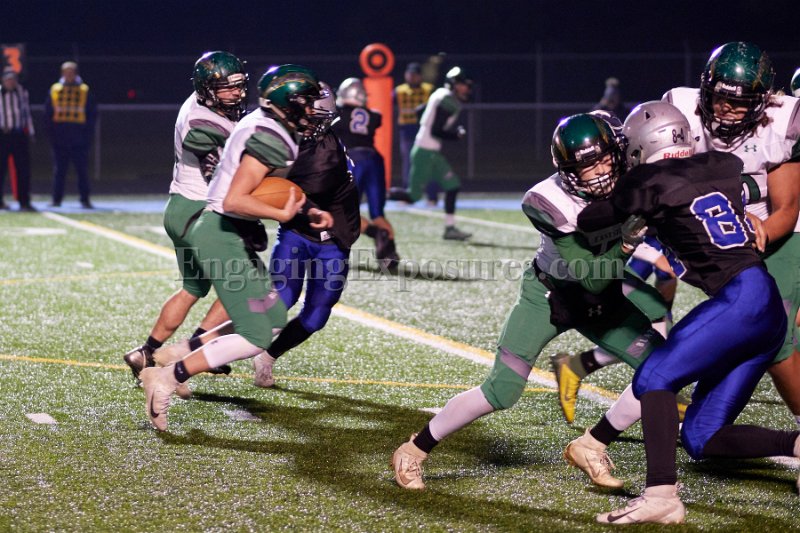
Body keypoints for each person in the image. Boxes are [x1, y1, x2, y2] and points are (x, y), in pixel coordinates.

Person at [390, 113, 669, 490]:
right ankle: (413, 450)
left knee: (662, 371)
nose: (601, 172)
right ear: (568, 171)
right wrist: (628, 243)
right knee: (501, 391)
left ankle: (592, 444)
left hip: (601, 299)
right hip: (550, 295)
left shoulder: (631, 174)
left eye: (605, 159)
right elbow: (591, 275)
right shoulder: (549, 200)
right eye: (588, 166)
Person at [571, 100, 798, 525]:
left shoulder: (647, 180)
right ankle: (797, 444)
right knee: (700, 436)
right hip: (765, 309)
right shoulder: (723, 165)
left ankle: (661, 496)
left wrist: (618, 194)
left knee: (654, 377)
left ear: (640, 146)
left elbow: (590, 221)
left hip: (741, 300)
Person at [555, 42, 800, 427]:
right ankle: (691, 424)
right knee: (709, 323)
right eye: (719, 97)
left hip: (761, 227)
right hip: (696, 224)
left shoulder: (782, 124)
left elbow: (786, 208)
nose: (725, 109)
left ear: (763, 101)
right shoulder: (681, 108)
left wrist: (760, 231)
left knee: (775, 337)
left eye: (739, 102)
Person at [139, 64, 333, 431]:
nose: (313, 110)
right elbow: (235, 200)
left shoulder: (264, 122)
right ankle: (165, 376)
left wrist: (306, 207)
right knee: (256, 335)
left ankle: (179, 354)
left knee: (274, 317)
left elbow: (263, 187)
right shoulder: (271, 138)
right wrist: (283, 213)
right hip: (220, 233)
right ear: (288, 104)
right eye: (307, 103)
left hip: (227, 231)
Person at [122, 51, 249, 390]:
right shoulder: (203, 122)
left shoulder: (202, 106)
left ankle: (145, 353)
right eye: (227, 88)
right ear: (207, 90)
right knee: (241, 284)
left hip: (181, 207)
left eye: (239, 85)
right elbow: (234, 170)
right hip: (200, 212)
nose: (237, 93)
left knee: (194, 288)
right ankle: (192, 353)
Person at [387, 66, 473, 241]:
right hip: (426, 152)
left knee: (452, 186)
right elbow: (436, 130)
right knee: (414, 196)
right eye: (463, 84)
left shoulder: (440, 94)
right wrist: (456, 135)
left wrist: (427, 124)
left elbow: (420, 111)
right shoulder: (447, 100)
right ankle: (377, 193)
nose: (466, 88)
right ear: (454, 84)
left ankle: (450, 229)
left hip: (428, 150)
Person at [334, 77, 400, 268]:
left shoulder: (338, 115)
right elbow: (375, 119)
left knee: (345, 211)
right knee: (378, 213)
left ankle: (375, 233)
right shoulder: (373, 116)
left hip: (354, 160)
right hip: (375, 159)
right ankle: (389, 253)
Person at [44, 61, 97, 208]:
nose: (69, 75)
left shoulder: (84, 90)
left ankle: (85, 199)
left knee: (82, 170)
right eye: (66, 72)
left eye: (71, 72)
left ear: (76, 73)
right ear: (62, 73)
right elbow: (48, 113)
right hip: (60, 137)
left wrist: (87, 135)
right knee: (59, 170)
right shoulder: (55, 89)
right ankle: (56, 199)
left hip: (79, 137)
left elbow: (92, 114)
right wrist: (52, 134)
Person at [393, 62, 437, 204]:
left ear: (420, 76)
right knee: (408, 164)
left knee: (428, 162)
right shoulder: (399, 91)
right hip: (406, 131)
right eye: (409, 74)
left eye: (415, 75)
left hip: (424, 129)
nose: (411, 77)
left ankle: (432, 196)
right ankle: (408, 195)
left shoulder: (429, 89)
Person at [0, 68, 35, 211]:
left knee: (23, 169)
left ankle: (24, 201)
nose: (10, 82)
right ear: (3, 80)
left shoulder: (22, 92)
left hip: (19, 134)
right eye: (8, 80)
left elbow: (27, 113)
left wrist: (31, 131)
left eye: (13, 79)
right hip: (2, 134)